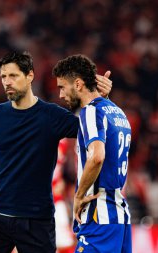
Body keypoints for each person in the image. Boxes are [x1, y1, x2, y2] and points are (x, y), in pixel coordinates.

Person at [0, 51, 112, 253]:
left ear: (30, 76)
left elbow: (94, 127)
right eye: (3, 76)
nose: (7, 82)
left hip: (36, 220)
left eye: (13, 75)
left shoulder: (52, 115)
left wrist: (101, 100)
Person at [52, 54, 132, 253]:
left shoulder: (89, 111)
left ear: (78, 84)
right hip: (119, 214)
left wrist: (78, 196)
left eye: (62, 87)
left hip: (98, 213)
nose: (61, 95)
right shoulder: (118, 112)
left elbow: (97, 156)